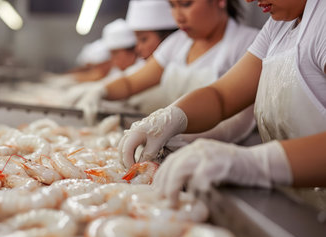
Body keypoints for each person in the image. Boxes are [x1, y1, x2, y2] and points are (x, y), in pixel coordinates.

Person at [119, 0, 326, 201]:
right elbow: (222, 96)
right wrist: (168, 119)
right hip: (298, 201)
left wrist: (253, 163)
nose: (249, 0)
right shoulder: (277, 27)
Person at [79, 0, 260, 144]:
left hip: (223, 152)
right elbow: (131, 83)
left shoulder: (247, 42)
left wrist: (178, 137)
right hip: (170, 145)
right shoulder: (177, 43)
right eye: (172, 5)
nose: (178, 17)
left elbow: (236, 120)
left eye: (186, 4)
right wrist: (100, 91)